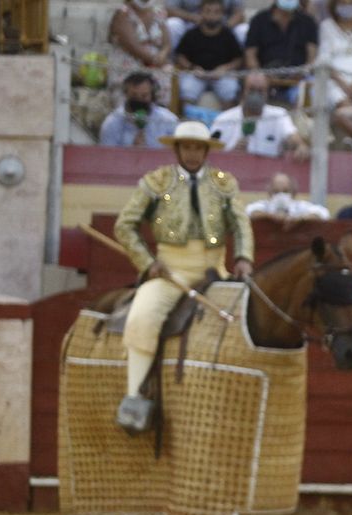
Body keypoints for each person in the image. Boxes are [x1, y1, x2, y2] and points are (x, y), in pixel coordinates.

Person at [111, 120, 254, 434]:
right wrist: (148, 263)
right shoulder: (157, 181)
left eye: (198, 147)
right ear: (176, 149)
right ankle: (133, 399)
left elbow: (241, 224)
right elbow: (125, 225)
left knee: (244, 321)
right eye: (186, 147)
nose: (192, 153)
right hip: (170, 272)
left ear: (206, 150)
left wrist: (243, 257)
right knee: (142, 318)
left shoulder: (223, 183)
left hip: (215, 270)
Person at [210, 72, 309, 159]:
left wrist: (300, 146)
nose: (256, 95)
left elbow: (292, 136)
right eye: (252, 90)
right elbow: (211, 154)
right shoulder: (223, 119)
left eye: (260, 91)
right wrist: (232, 152)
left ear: (267, 93)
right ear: (242, 91)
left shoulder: (279, 115)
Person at [243, 0, 320, 106]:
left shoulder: (308, 22)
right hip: (265, 78)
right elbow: (250, 55)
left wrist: (302, 73)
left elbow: (312, 58)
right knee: (252, 83)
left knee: (311, 89)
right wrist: (260, 75)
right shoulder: (259, 20)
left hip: (297, 80)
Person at [174, 0, 245, 106]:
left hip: (221, 75)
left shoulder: (228, 35)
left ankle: (227, 120)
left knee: (230, 90)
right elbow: (180, 56)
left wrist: (225, 68)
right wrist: (192, 67)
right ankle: (188, 120)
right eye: (208, 11)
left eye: (216, 12)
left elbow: (238, 59)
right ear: (200, 12)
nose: (212, 15)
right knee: (187, 90)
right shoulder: (192, 34)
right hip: (197, 74)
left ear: (222, 14)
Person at [99, 72, 181, 148]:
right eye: (134, 96)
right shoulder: (112, 123)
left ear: (152, 95)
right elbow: (108, 156)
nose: (139, 100)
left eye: (144, 96)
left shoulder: (168, 120)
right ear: (125, 94)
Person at [246, 171, 332, 225]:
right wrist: (271, 216)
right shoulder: (265, 205)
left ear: (293, 193)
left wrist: (299, 219)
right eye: (276, 192)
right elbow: (249, 211)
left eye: (285, 191)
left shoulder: (300, 206)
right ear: (270, 193)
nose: (281, 195)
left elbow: (323, 213)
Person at [110, 0, 172, 73]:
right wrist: (155, 60)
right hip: (131, 65)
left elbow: (167, 44)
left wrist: (162, 55)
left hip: (157, 64)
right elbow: (131, 45)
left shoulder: (158, 11)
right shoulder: (123, 13)